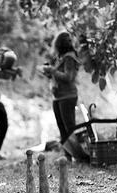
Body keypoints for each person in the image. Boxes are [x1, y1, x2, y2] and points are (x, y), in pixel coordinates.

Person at [41, 32, 80, 161]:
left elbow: (69, 77)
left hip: (68, 96)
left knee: (69, 127)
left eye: (70, 39)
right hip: (57, 97)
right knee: (62, 127)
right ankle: (67, 155)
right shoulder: (60, 57)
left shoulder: (69, 57)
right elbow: (58, 75)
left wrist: (52, 70)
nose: (69, 41)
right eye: (66, 39)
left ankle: (76, 155)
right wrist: (49, 73)